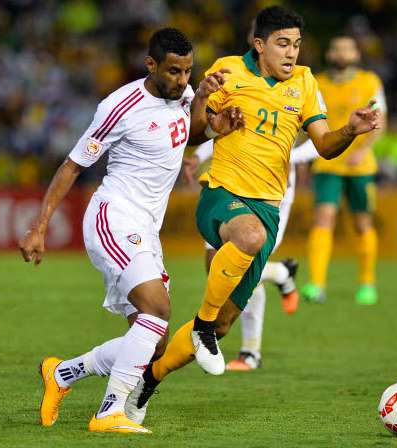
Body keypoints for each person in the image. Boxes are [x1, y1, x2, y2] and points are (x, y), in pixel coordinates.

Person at [127, 5, 382, 417]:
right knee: (248, 239)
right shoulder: (228, 71)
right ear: (259, 44)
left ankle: (148, 380)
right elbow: (194, 135)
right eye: (282, 44)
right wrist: (205, 99)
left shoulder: (304, 81)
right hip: (222, 195)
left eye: (297, 45)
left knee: (229, 320)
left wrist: (350, 130)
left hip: (267, 208)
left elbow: (323, 144)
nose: (291, 53)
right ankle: (204, 327)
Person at [18, 28, 240, 434]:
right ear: (151, 65)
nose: (182, 80)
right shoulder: (119, 106)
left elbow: (184, 135)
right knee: (157, 310)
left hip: (145, 228)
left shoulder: (186, 95)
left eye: (188, 71)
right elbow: (72, 165)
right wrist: (39, 226)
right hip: (114, 217)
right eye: (174, 71)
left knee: (152, 340)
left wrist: (212, 127)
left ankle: (62, 374)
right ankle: (108, 412)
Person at [183, 135, 318, 371]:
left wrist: (286, 155)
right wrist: (199, 155)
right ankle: (280, 273)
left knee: (245, 265)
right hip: (229, 185)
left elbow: (321, 142)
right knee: (217, 270)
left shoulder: (306, 96)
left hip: (272, 191)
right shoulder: (238, 95)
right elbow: (227, 130)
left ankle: (250, 352)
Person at [300, 35, 386, 305]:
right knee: (323, 218)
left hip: (360, 165)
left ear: (356, 54)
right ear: (330, 54)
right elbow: (307, 124)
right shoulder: (317, 83)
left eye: (347, 48)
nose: (341, 53)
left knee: (362, 223)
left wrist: (362, 149)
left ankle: (367, 283)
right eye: (337, 48)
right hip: (327, 162)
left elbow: (381, 118)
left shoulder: (369, 81)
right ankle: (316, 284)